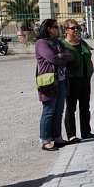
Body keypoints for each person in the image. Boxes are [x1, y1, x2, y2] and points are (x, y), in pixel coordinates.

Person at [35, 19, 74, 151]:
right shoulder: (41, 43)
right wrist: (61, 57)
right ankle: (45, 139)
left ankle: (57, 137)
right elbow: (52, 58)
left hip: (61, 79)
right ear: (49, 29)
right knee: (48, 110)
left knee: (59, 110)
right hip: (49, 80)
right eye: (56, 27)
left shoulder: (58, 43)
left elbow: (70, 56)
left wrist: (61, 55)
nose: (58, 29)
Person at [62, 18, 94, 143]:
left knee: (85, 106)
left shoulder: (82, 43)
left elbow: (88, 56)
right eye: (73, 28)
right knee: (71, 107)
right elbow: (60, 62)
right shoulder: (64, 45)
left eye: (77, 27)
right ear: (66, 30)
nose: (76, 30)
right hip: (73, 79)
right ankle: (71, 134)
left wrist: (91, 69)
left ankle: (86, 132)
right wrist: (68, 72)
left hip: (85, 78)